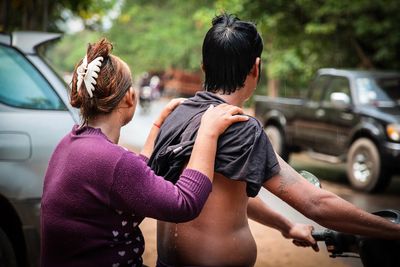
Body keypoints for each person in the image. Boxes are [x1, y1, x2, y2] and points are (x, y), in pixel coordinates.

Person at [149, 13, 400, 267]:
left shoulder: (177, 113)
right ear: (256, 68)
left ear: (204, 67)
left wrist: (287, 225)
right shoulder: (241, 128)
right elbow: (316, 203)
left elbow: (224, 195)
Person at [40, 38, 249, 267]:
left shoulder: (70, 144)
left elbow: (131, 180)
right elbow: (184, 203)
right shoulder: (113, 161)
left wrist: (157, 127)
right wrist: (207, 133)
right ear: (130, 96)